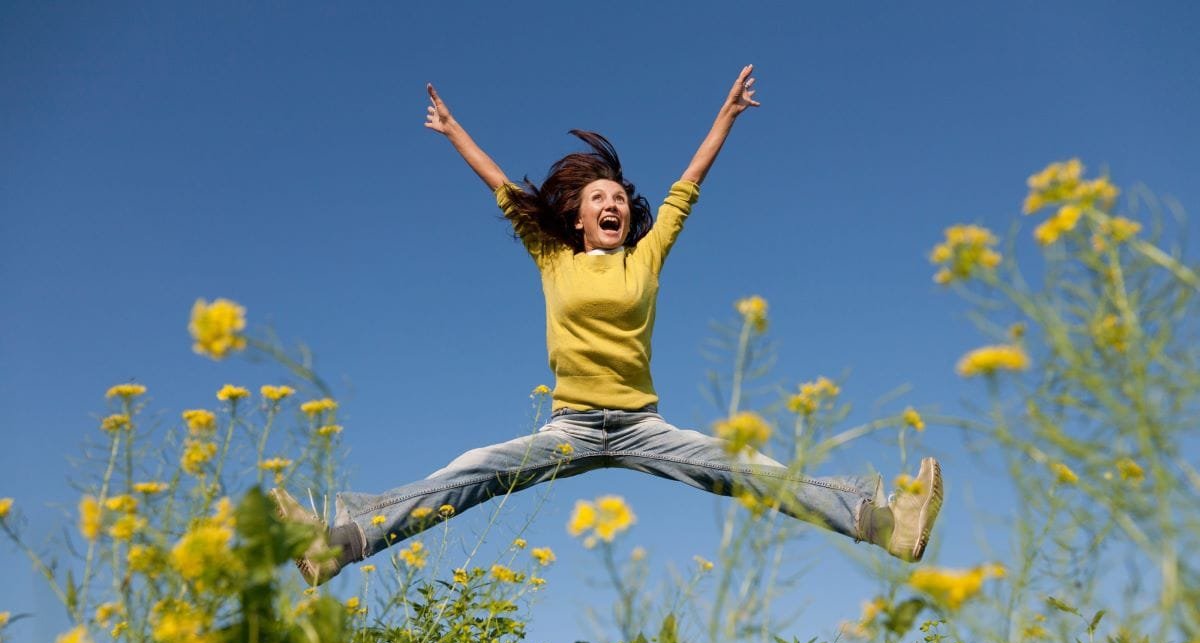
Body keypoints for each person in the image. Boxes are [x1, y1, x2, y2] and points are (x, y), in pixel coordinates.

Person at [273, 66, 943, 586]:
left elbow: (688, 183)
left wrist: (725, 116)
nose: (612, 204)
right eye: (600, 199)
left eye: (619, 198)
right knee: (469, 472)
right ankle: (335, 544)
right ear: (578, 217)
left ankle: (882, 522)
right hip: (567, 427)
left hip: (640, 425)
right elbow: (503, 188)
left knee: (748, 469)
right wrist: (453, 131)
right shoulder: (552, 256)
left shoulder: (646, 256)